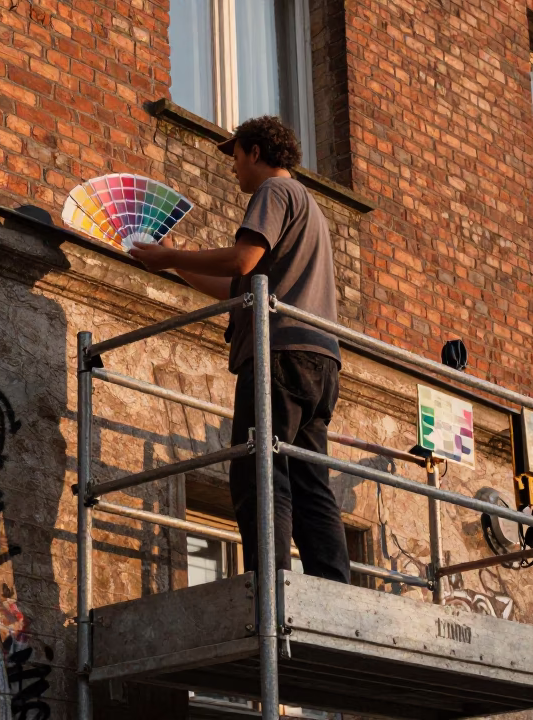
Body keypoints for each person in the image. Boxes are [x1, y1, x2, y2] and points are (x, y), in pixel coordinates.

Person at [129, 116, 350, 584]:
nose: (232, 170)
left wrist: (170, 255)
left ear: (254, 152)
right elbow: (235, 283)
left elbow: (243, 259)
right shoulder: (309, 208)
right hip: (319, 362)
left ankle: (269, 585)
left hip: (279, 354)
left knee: (256, 471)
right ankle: (333, 587)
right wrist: (176, 265)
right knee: (310, 483)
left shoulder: (273, 192)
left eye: (234, 157)